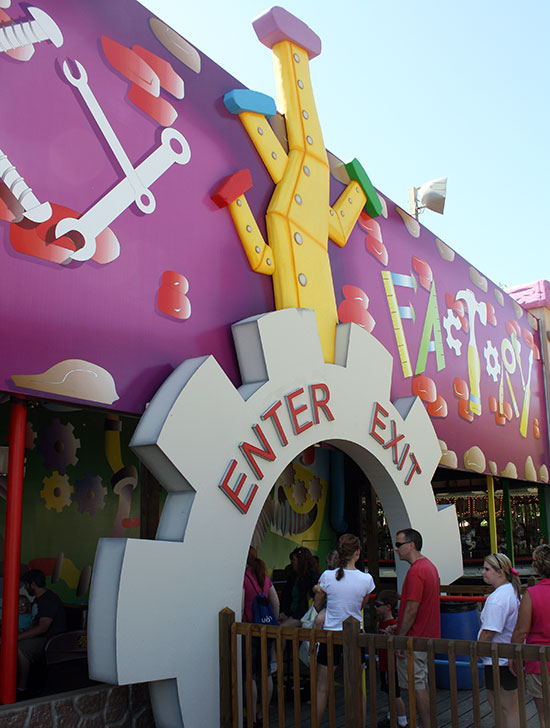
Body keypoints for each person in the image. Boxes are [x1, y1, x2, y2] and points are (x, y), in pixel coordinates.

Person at [314, 533, 375, 725]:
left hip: (330, 635)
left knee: (322, 688)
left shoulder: (327, 577)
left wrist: (320, 592)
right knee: (357, 688)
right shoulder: (366, 580)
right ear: (357, 553)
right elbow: (361, 605)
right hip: (355, 636)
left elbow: (317, 606)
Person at [391, 528, 440, 728]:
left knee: (416, 685)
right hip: (427, 635)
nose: (396, 549)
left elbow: (412, 608)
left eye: (398, 544)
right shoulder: (429, 567)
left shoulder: (416, 571)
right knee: (422, 683)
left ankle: (425, 724)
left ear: (411, 545)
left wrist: (400, 638)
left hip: (414, 637)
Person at [478, 553, 521, 728]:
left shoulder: (497, 599)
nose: (483, 572)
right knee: (508, 708)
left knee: (502, 707)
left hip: (498, 659)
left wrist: (476, 651)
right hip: (504, 656)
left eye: (487, 569)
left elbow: (489, 631)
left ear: (500, 572)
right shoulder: (511, 591)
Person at [509, 544, 550, 727]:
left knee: (544, 717)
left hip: (539, 662)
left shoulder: (531, 594)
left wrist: (513, 655)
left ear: (536, 567)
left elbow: (521, 631)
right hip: (539, 661)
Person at [242, 547, 280, 727]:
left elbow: (242, 606)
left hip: (250, 630)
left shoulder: (244, 578)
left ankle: (251, 716)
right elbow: (275, 602)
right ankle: (263, 713)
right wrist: (273, 621)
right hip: (267, 629)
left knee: (249, 675)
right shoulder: (264, 578)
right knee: (265, 673)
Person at [17, 569, 66, 696]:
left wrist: (16, 637)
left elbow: (43, 627)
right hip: (42, 638)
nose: (25, 588)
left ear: (32, 584)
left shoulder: (48, 600)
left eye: (26, 585)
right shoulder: (38, 600)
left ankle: (22, 688)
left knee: (21, 647)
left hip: (51, 640)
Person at [375, 590, 408, 728]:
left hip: (391, 664)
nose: (375, 607)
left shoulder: (393, 625)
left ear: (388, 607)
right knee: (389, 692)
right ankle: (391, 716)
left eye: (378, 604)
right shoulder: (380, 624)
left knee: (395, 694)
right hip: (383, 662)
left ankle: (402, 721)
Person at [279, 546, 319, 628]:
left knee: (281, 629)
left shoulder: (311, 577)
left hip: (303, 615)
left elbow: (305, 602)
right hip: (291, 613)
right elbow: (286, 595)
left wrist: (291, 616)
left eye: (294, 560)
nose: (292, 562)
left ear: (300, 561)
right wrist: (284, 612)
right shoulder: (293, 576)